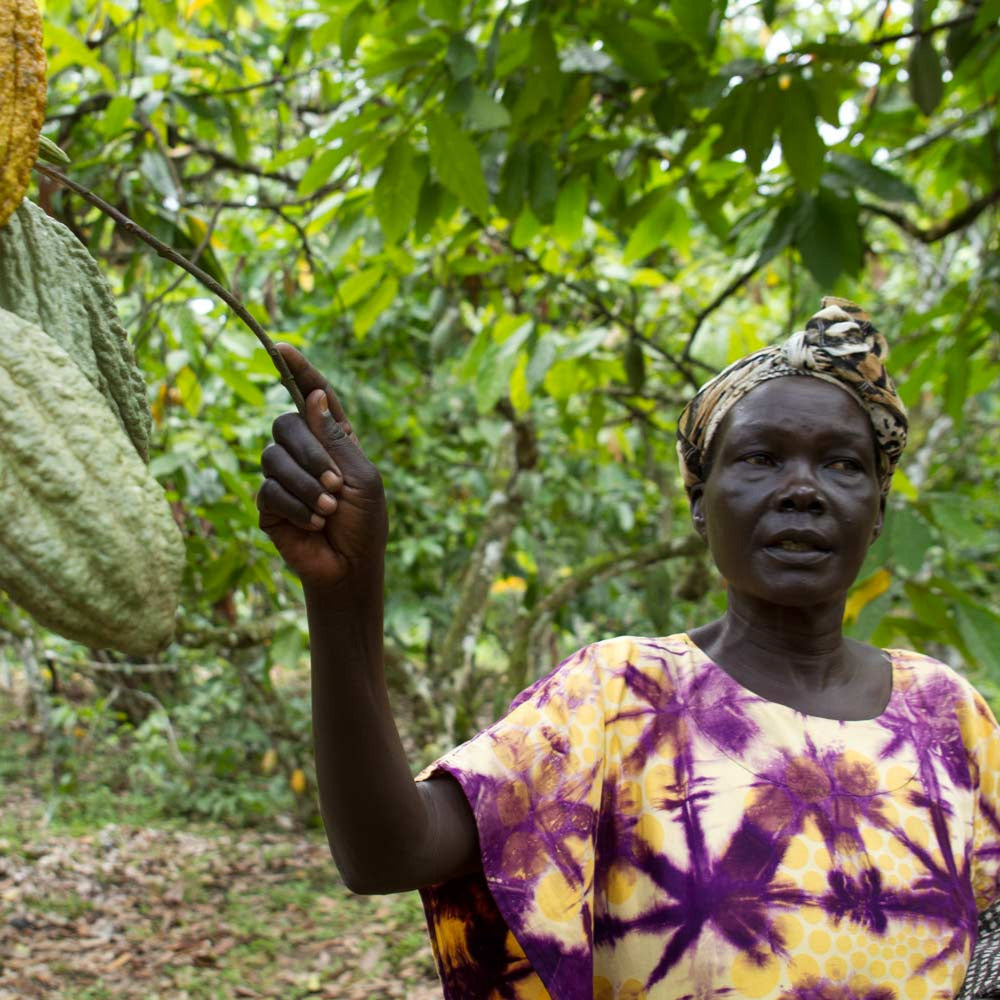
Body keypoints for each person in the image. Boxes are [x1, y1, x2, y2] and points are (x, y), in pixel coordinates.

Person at [257, 298, 1000, 1000]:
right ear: (700, 502)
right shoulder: (620, 696)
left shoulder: (947, 715)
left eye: (843, 464)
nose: (803, 489)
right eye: (761, 458)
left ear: (878, 510)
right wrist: (345, 591)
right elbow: (389, 850)